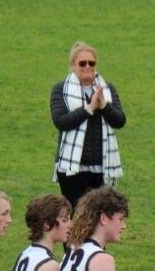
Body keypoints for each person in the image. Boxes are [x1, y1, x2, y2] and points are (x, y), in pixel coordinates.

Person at [50, 42, 126, 208]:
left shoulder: (107, 89)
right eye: (82, 63)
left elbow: (120, 121)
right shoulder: (61, 89)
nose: (87, 67)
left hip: (102, 166)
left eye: (91, 63)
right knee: (76, 217)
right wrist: (89, 109)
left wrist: (104, 106)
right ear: (73, 65)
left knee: (99, 219)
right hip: (72, 169)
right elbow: (61, 121)